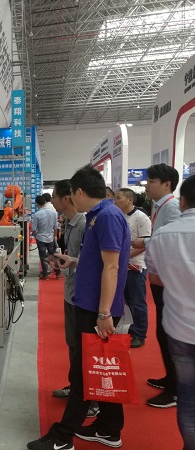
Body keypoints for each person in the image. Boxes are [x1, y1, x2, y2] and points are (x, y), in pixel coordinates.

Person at [27, 164, 130, 450]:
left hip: (97, 308)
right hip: (91, 304)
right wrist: (73, 261)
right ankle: (109, 428)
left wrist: (104, 312)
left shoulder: (107, 217)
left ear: (80, 192)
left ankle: (63, 436)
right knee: (100, 369)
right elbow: (99, 261)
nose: (70, 199)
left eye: (72, 193)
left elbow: (112, 266)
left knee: (84, 373)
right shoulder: (99, 216)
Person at [145, 175, 195, 449]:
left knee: (187, 395)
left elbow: (155, 277)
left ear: (183, 201)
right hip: (178, 326)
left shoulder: (164, 234)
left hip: (180, 328)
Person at [132, 163, 181, 408]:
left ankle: (176, 389)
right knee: (162, 331)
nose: (147, 186)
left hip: (168, 280)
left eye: (151, 181)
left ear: (167, 184)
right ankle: (171, 378)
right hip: (159, 277)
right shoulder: (160, 206)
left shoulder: (171, 207)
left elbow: (172, 239)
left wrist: (143, 243)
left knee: (169, 333)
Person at [50, 180, 99, 416]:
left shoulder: (85, 224)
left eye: (54, 196)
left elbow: (92, 262)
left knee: (84, 348)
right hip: (70, 292)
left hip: (82, 295)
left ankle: (91, 399)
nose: (51, 201)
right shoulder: (70, 224)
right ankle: (77, 387)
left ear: (67, 198)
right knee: (73, 345)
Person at [114, 188, 151, 348]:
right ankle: (129, 328)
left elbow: (145, 243)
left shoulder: (141, 217)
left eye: (118, 198)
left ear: (130, 200)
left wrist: (124, 256)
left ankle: (140, 334)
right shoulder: (119, 216)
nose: (115, 201)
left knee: (137, 302)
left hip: (135, 266)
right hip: (120, 265)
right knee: (125, 301)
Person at [31, 195, 61, 279]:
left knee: (43, 256)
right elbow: (56, 226)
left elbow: (34, 229)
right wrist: (55, 236)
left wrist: (36, 236)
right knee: (53, 255)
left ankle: (45, 274)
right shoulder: (54, 213)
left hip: (41, 237)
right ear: (45, 202)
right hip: (50, 237)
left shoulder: (37, 214)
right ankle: (58, 273)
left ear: (37, 204)